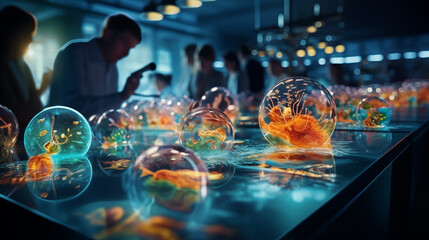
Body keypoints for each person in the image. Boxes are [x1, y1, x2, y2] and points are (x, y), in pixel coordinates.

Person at [48, 13, 143, 118]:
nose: (126, 53)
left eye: (130, 48)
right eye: (125, 44)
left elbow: (109, 113)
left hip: (96, 133)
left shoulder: (112, 67)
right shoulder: (75, 52)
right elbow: (69, 108)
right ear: (108, 34)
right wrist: (121, 96)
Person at [0, 5, 51, 132]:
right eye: (27, 33)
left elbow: (32, 107)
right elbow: (13, 112)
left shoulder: (21, 64)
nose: (31, 39)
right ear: (11, 32)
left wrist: (42, 88)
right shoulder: (4, 65)